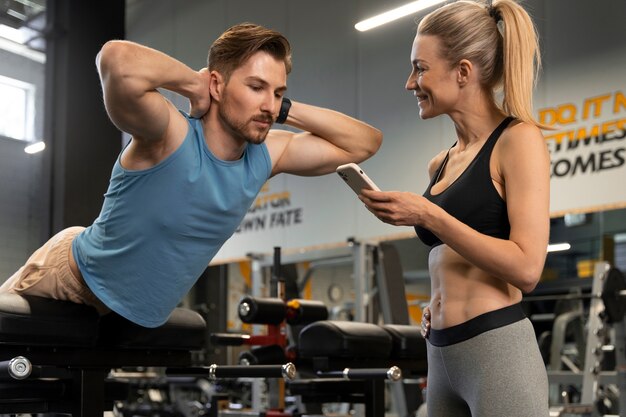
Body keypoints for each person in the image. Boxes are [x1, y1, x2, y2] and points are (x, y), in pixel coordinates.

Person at [0, 23, 382, 328]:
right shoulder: (170, 133)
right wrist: (192, 83)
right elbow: (116, 58)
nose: (268, 104)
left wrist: (284, 109)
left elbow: (363, 143)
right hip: (66, 278)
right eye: (255, 87)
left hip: (116, 316)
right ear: (217, 84)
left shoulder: (268, 154)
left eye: (278, 92)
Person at [359, 1, 550, 416]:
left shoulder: (518, 140)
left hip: (497, 351)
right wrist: (436, 305)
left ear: (463, 72)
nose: (411, 83)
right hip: (441, 353)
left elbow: (527, 268)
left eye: (420, 68)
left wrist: (429, 216)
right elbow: (450, 256)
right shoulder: (440, 162)